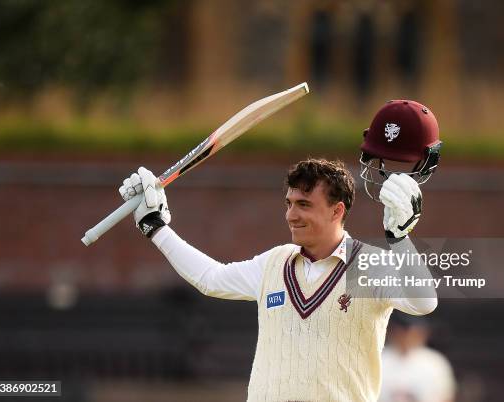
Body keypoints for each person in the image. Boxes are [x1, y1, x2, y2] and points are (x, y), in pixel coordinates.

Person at [119, 99, 443, 402]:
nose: (291, 215)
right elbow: (210, 277)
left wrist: (400, 238)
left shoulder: (368, 265)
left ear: (336, 211)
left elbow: (423, 302)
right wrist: (155, 226)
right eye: (289, 204)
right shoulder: (274, 263)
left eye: (304, 205)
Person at [378, 315, 456, 402]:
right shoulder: (379, 359)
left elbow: (446, 396)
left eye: (413, 331)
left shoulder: (435, 362)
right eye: (403, 331)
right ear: (393, 332)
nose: (408, 336)